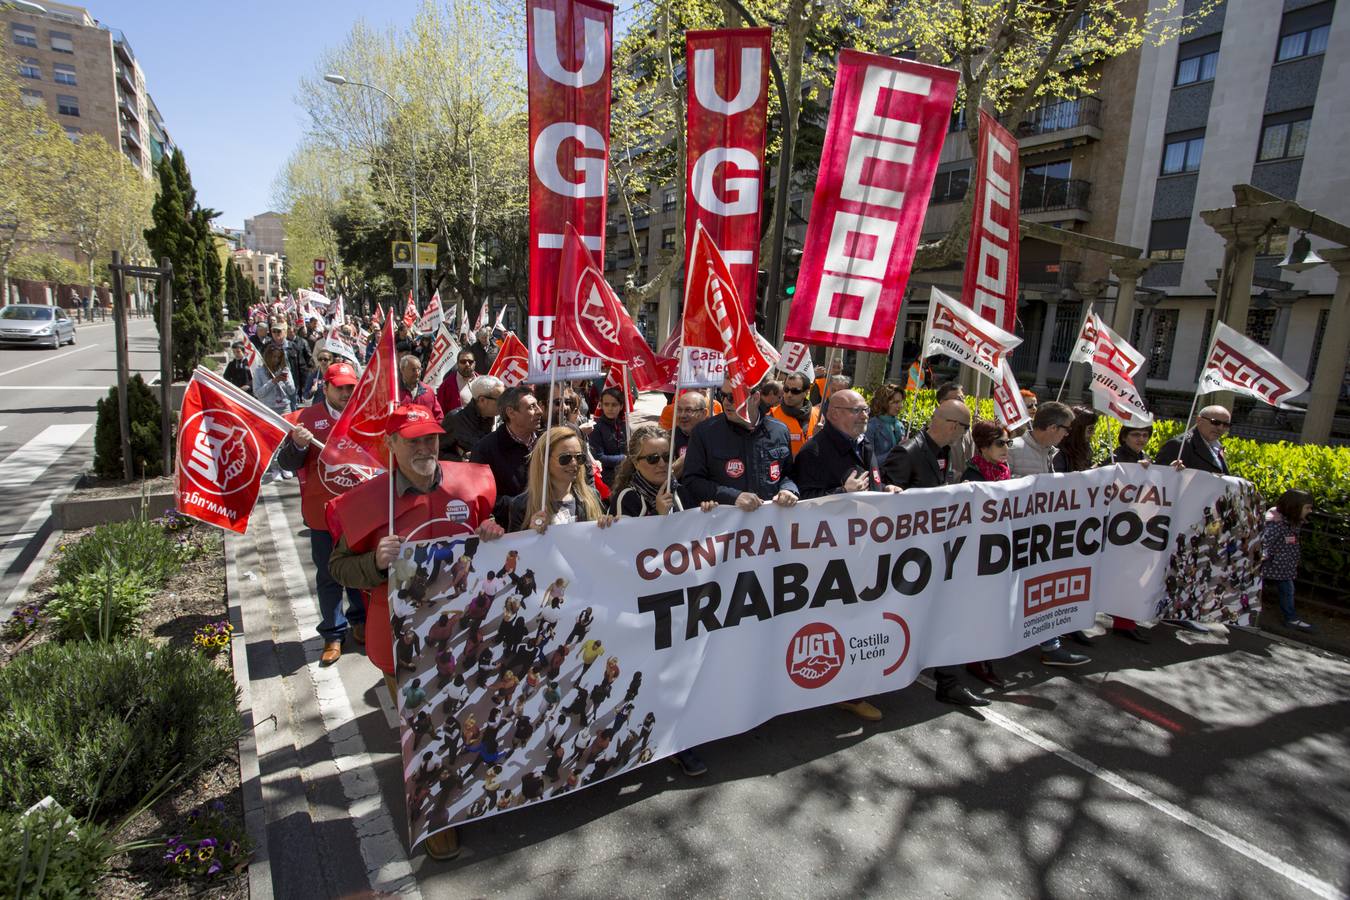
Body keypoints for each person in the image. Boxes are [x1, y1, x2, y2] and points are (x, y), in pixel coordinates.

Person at [326, 404, 503, 861]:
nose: (425, 447)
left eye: (431, 437)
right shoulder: (368, 501)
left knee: (471, 711)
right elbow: (339, 568)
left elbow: (496, 544)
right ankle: (439, 818)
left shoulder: (474, 483)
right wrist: (375, 563)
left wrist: (493, 533)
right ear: (390, 445)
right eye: (413, 440)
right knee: (425, 728)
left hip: (469, 631)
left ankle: (479, 784)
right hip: (402, 643)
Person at [796, 388, 904, 721]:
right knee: (833, 625)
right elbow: (803, 503)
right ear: (834, 414)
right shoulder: (813, 452)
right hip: (829, 557)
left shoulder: (865, 444)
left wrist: (883, 488)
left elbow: (871, 481)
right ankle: (838, 689)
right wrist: (840, 493)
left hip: (864, 549)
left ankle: (854, 686)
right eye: (857, 410)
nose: (864, 415)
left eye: (865, 409)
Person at [880, 399, 989, 707]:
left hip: (930, 553)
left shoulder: (942, 451)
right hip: (905, 558)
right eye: (965, 428)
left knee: (947, 611)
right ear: (954, 426)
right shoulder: (909, 451)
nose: (964, 435)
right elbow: (887, 504)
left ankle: (949, 681)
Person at [274, 362, 367, 664]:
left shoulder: (364, 415)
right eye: (339, 387)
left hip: (357, 512)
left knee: (359, 571)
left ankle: (360, 621)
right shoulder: (306, 419)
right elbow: (287, 463)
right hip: (321, 514)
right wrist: (298, 446)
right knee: (328, 575)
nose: (345, 392)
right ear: (325, 387)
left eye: (350, 387)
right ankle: (332, 634)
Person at [1007, 401, 1091, 667]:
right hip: (1016, 538)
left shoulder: (1051, 454)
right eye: (1066, 429)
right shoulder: (1014, 450)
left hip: (1041, 537)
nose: (1068, 434)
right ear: (1053, 427)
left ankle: (1050, 644)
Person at [960, 420, 1018, 690]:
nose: (1006, 448)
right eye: (1000, 443)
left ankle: (984, 656)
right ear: (983, 446)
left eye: (1008, 443)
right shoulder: (972, 477)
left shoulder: (1003, 472)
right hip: (978, 554)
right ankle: (976, 659)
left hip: (1000, 550)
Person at [682, 382, 799, 511]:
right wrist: (733, 497)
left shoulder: (779, 430)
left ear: (755, 398)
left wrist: (788, 489)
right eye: (723, 395)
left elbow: (788, 474)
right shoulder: (704, 432)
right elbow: (692, 481)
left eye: (733, 397)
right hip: (724, 525)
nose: (726, 402)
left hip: (769, 524)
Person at [507, 426, 616, 533]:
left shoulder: (592, 497)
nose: (574, 463)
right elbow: (514, 550)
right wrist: (530, 533)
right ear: (545, 461)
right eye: (565, 458)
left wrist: (608, 524)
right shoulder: (522, 506)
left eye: (579, 457)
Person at [472, 386, 542, 521]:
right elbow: (482, 498)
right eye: (531, 407)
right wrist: (523, 505)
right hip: (508, 532)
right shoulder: (485, 449)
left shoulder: (547, 442)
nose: (539, 411)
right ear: (511, 412)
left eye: (537, 405)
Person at [610, 424, 700, 517]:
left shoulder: (681, 492)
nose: (662, 464)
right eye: (652, 458)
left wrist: (706, 512)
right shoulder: (627, 498)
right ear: (636, 463)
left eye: (667, 457)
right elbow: (626, 531)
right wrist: (658, 513)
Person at [1262, 489, 1315, 630]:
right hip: (1274, 563)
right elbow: (1265, 541)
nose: (1310, 511)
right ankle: (1290, 618)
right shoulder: (1278, 524)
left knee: (1285, 589)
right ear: (1295, 507)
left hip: (1283, 564)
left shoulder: (1291, 521)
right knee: (1286, 590)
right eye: (1307, 508)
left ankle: (1290, 617)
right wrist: (1262, 557)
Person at [441, 376, 502, 462]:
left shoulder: (503, 418)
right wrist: (461, 460)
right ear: (482, 400)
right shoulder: (456, 419)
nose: (503, 404)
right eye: (500, 400)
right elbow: (439, 452)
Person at [1156, 405, 1232, 474]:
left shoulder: (1218, 447)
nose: (1220, 428)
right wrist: (1170, 471)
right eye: (1215, 422)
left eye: (1226, 425)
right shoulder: (1179, 445)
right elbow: (1158, 477)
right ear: (1199, 420)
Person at [768, 371, 820, 457]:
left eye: (795, 391)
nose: (789, 395)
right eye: (786, 389)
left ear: (806, 393)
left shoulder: (819, 415)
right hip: (785, 469)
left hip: (812, 468)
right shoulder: (771, 416)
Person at [933, 382, 972, 482]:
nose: (962, 403)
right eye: (958, 399)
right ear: (943, 402)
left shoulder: (968, 429)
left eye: (963, 399)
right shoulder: (935, 430)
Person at [589, 387, 627, 487]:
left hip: (626, 476)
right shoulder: (596, 428)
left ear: (621, 406)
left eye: (614, 405)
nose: (610, 408)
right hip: (607, 479)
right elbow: (598, 458)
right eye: (606, 404)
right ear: (601, 405)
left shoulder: (625, 426)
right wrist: (624, 458)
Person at [397, 353, 444, 421]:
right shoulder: (394, 392)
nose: (417, 373)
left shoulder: (428, 391)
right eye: (413, 369)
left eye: (419, 369)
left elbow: (439, 417)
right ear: (402, 370)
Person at [865, 383, 905, 460]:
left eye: (901, 402)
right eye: (896, 402)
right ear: (884, 403)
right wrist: (896, 451)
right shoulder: (870, 426)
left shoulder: (899, 425)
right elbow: (869, 461)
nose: (900, 406)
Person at [1052, 406, 1099, 473]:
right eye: (1090, 429)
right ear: (1077, 430)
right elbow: (1059, 480)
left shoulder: (1086, 449)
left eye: (1094, 429)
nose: (1093, 433)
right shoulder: (1058, 454)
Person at [436, 348, 478, 415]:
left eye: (470, 362)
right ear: (458, 363)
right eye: (463, 361)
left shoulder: (482, 381)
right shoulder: (446, 385)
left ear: (474, 363)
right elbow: (440, 413)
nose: (467, 364)